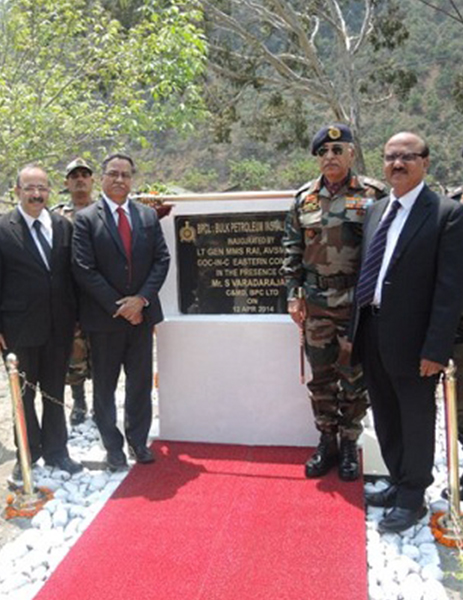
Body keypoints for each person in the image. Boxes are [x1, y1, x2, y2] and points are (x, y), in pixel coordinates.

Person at [351, 132, 463, 532]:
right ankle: (398, 481)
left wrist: (436, 347)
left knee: (415, 416)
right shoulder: (378, 209)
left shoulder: (446, 214)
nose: (397, 164)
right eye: (390, 157)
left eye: (407, 157)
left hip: (416, 342)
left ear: (426, 163)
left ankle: (413, 496)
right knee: (384, 412)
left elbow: (450, 291)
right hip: (373, 329)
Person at [281, 123, 386, 481]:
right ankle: (327, 440)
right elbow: (291, 250)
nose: (330, 157)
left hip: (358, 302)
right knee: (322, 377)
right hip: (315, 302)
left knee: (355, 378)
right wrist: (293, 296)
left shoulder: (374, 194)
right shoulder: (303, 198)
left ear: (351, 154)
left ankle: (349, 444)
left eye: (337, 151)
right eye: (323, 152)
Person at [72, 153, 170, 470]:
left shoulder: (147, 216)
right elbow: (84, 269)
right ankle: (112, 447)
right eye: (113, 173)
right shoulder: (86, 219)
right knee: (105, 385)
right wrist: (121, 306)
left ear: (132, 179)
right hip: (105, 320)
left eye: (125, 174)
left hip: (142, 317)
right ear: (102, 177)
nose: (119, 179)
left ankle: (138, 442)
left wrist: (140, 300)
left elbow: (161, 260)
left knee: (140, 382)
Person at [0, 164, 82, 483]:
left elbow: (73, 276)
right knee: (24, 396)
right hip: (17, 330)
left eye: (42, 188)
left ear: (50, 191)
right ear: (17, 191)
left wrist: (76, 319)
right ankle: (27, 454)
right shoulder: (3, 228)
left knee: (54, 393)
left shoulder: (63, 226)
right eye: (29, 187)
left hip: (59, 328)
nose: (36, 194)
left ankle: (57, 451)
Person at [52, 157, 94, 426]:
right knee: (73, 352)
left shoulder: (104, 211)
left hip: (98, 296)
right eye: (74, 175)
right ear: (66, 182)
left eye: (84, 175)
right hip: (68, 297)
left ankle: (103, 400)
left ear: (92, 181)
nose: (80, 179)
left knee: (102, 351)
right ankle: (79, 401)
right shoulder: (55, 216)